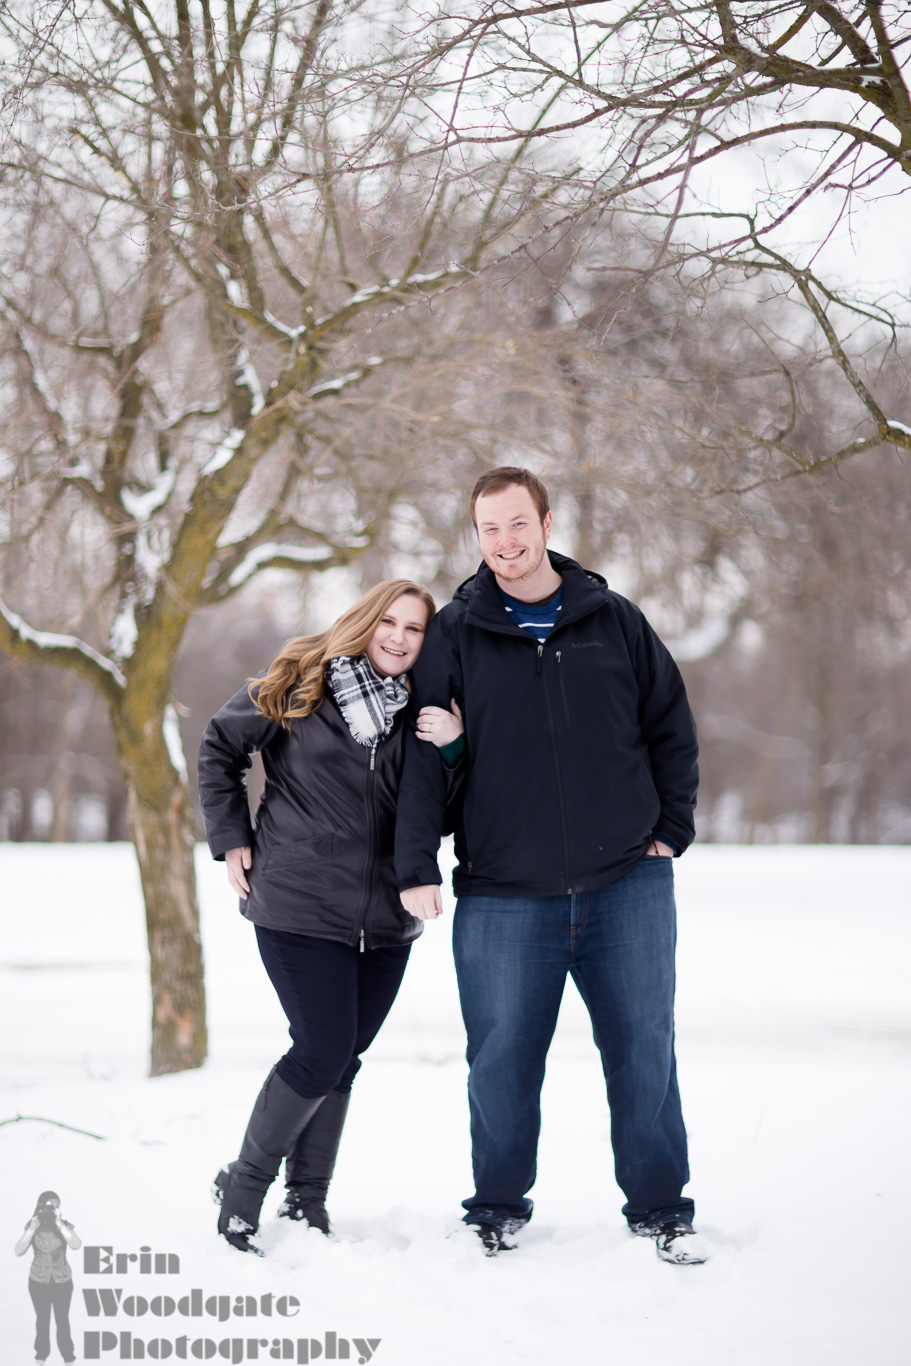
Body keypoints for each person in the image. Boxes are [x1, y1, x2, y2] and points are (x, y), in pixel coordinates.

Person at [395, 468, 707, 1264]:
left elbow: (670, 726)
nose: (504, 542)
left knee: (643, 1051)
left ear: (545, 521)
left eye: (515, 524)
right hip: (504, 893)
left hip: (626, 884)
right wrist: (416, 865)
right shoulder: (455, 635)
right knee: (499, 1061)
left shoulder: (613, 621)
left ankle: (660, 1210)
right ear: (475, 536)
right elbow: (424, 763)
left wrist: (671, 827)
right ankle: (496, 1209)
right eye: (487, 529)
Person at [198, 580, 463, 1255]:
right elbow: (220, 748)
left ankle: (306, 1201)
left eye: (414, 629)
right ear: (366, 620)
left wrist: (456, 745)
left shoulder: (425, 712)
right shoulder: (300, 683)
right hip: (296, 903)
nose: (400, 638)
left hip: (384, 917)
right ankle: (243, 1191)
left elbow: (450, 805)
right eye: (390, 622)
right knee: (320, 1050)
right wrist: (232, 836)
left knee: (343, 1056)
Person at [14, 1190, 81, 1365]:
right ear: (39, 1207)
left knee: (62, 1320)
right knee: (42, 1320)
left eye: (56, 1207)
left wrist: (59, 1223)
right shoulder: (32, 1225)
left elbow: (76, 1244)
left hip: (62, 1281)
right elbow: (18, 1251)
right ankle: (41, 1355)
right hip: (38, 1281)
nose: (51, 1210)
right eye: (48, 1207)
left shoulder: (64, 1225)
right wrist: (31, 1230)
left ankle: (68, 1356)